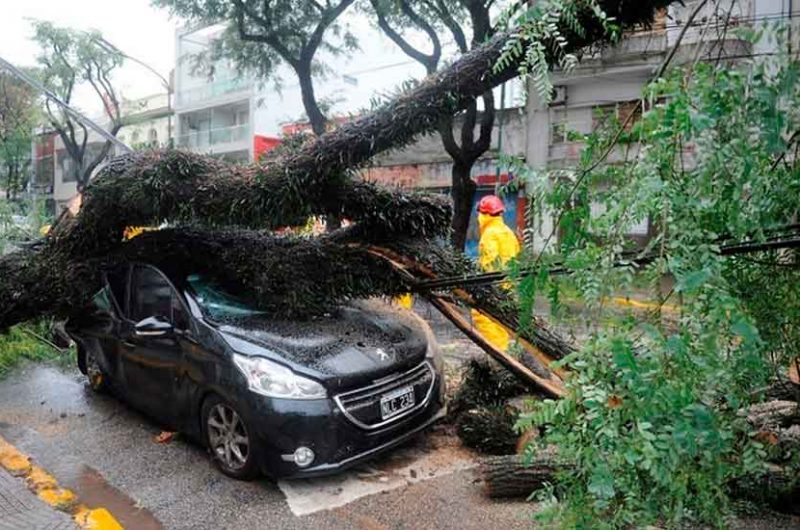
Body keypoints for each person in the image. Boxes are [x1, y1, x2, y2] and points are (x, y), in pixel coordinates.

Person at [471, 194, 520, 351]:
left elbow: (489, 265)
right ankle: (503, 350)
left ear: (485, 215)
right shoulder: (508, 232)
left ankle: (498, 353)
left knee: (482, 316)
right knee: (501, 321)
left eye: (480, 214)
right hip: (509, 286)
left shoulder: (490, 234)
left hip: (494, 286)